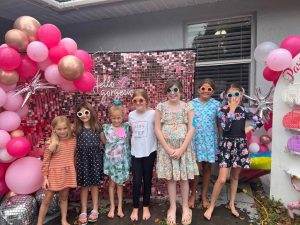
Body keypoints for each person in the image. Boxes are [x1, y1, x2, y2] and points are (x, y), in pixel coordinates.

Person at [204, 83, 263, 220]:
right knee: (222, 178)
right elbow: (225, 127)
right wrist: (231, 110)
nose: (233, 97)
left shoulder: (244, 110)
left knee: (235, 177)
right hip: (227, 145)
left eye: (236, 94)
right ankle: (212, 206)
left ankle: (231, 204)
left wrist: (249, 129)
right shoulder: (223, 110)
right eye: (230, 95)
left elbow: (259, 121)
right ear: (226, 96)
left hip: (240, 146)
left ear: (241, 95)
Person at [155, 80, 198, 225]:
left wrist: (182, 149)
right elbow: (157, 129)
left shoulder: (188, 106)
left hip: (183, 148)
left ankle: (186, 207)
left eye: (175, 90)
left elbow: (192, 128)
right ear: (166, 93)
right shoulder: (160, 107)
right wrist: (167, 148)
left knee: (184, 178)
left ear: (181, 91)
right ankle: (172, 207)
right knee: (171, 179)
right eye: (169, 90)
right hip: (167, 149)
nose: (172, 93)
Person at [37, 116, 77, 225]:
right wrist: (45, 177)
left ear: (68, 128)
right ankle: (39, 223)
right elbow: (46, 161)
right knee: (47, 200)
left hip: (67, 173)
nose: (62, 131)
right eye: (59, 129)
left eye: (65, 128)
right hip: (54, 174)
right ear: (54, 129)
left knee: (64, 198)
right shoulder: (52, 143)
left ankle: (64, 220)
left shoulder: (73, 140)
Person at [188, 79, 220, 209]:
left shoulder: (216, 104)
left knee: (207, 168)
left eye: (209, 89)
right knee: (196, 169)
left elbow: (220, 122)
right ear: (198, 90)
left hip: (210, 140)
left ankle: (204, 195)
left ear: (213, 91)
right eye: (203, 88)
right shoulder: (191, 104)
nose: (206, 91)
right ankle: (192, 195)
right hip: (195, 140)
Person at [129, 89, 157, 221]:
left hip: (149, 152)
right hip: (135, 153)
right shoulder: (131, 115)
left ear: (146, 101)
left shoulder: (153, 113)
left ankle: (145, 206)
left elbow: (158, 129)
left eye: (141, 100)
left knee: (147, 180)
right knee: (136, 181)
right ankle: (135, 207)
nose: (138, 103)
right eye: (135, 101)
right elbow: (128, 133)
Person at [101, 99, 131, 219]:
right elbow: (104, 142)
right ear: (110, 117)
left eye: (119, 118)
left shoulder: (125, 127)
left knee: (120, 185)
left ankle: (119, 207)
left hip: (121, 162)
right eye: (114, 118)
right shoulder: (106, 128)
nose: (116, 120)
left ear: (122, 117)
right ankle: (112, 207)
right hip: (111, 162)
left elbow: (127, 143)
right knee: (112, 184)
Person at [75, 102, 103, 225]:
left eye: (86, 112)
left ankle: (95, 209)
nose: (83, 115)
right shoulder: (76, 129)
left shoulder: (97, 127)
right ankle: (83, 211)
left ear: (91, 112)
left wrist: (120, 133)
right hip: (82, 160)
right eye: (80, 113)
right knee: (84, 186)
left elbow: (106, 141)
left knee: (95, 185)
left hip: (96, 159)